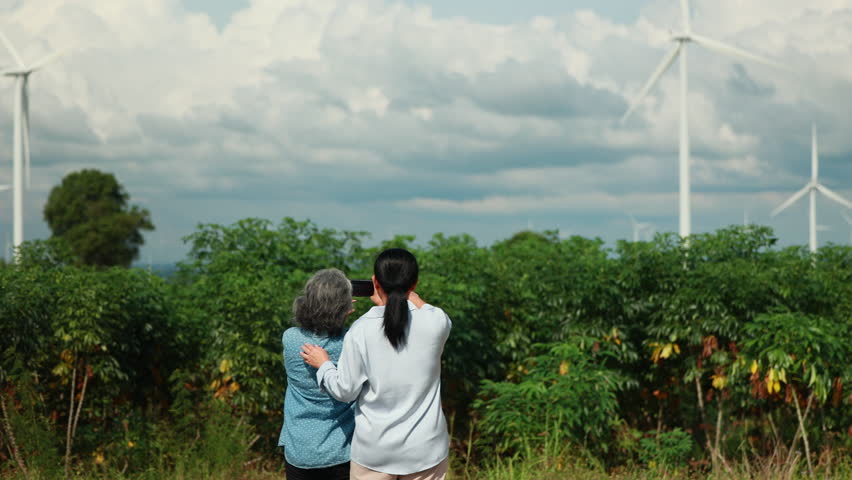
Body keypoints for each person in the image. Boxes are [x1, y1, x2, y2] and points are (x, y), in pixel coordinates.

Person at [301, 248, 452, 480]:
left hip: (375, 453)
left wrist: (324, 365)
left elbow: (345, 391)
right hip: (426, 449)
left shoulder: (361, 329)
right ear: (415, 283)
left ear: (375, 282)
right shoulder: (437, 321)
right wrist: (396, 296)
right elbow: (420, 305)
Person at [278, 268, 356, 480]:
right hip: (341, 450)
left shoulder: (291, 339)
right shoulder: (350, 342)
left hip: (299, 450)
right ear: (345, 309)